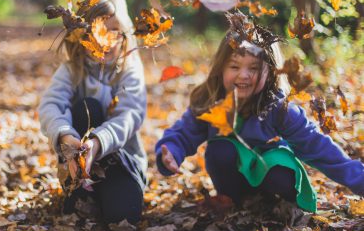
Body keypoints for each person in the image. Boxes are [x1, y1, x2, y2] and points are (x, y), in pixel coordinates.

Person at [155, 11, 364, 212]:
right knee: (220, 150)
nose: (243, 75)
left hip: (273, 178)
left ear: (270, 73)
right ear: (221, 68)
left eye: (253, 68)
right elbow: (183, 133)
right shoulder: (211, 101)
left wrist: (359, 180)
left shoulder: (279, 108)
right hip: (233, 181)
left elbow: (318, 147)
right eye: (234, 67)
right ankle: (234, 200)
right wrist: (172, 152)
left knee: (279, 168)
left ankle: (273, 203)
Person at [39, 0, 147, 224]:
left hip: (121, 162)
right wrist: (65, 136)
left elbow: (130, 115)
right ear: (81, 35)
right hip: (76, 163)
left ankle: (112, 193)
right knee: (87, 107)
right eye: (96, 30)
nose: (104, 39)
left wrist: (97, 144)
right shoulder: (72, 70)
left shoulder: (129, 70)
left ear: (125, 33)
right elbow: (50, 105)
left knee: (123, 217)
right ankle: (79, 190)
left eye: (113, 30)